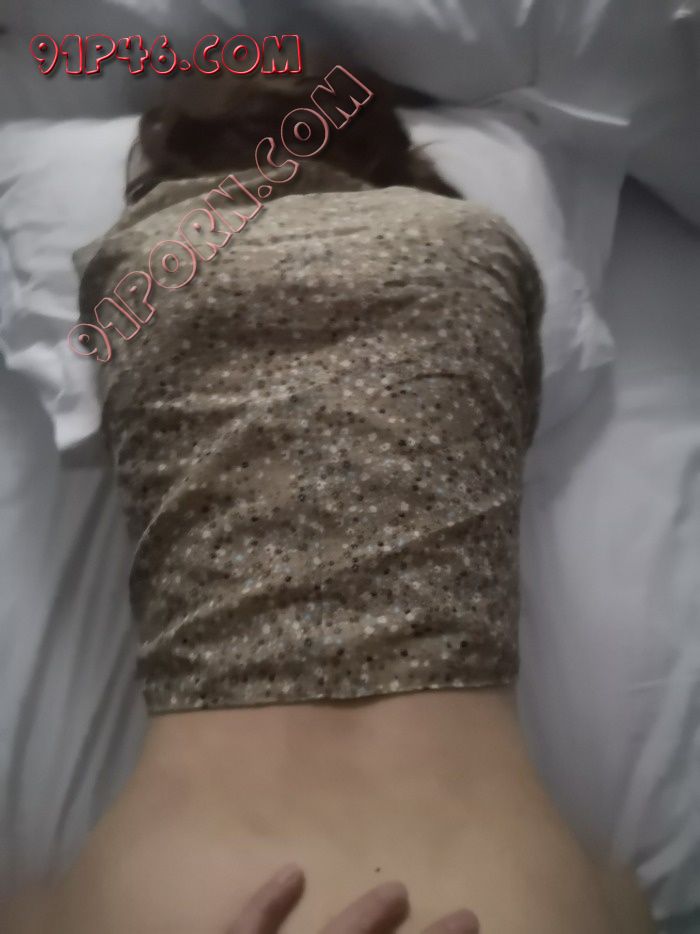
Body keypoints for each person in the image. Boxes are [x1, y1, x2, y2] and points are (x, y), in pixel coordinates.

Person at [4, 69, 655, 934]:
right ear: (387, 154)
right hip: (502, 884)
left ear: (182, 163)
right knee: (625, 892)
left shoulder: (134, 269)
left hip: (178, 887)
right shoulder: (480, 246)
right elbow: (510, 421)